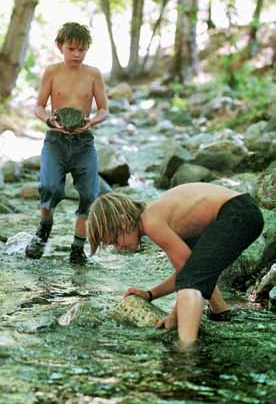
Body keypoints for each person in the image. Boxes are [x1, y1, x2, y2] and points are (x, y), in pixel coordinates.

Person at [87, 183, 264, 347]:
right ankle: (221, 312)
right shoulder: (159, 216)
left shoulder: (151, 222)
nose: (118, 248)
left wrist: (173, 317)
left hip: (238, 212)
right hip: (241, 210)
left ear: (124, 220)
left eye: (115, 240)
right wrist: (150, 295)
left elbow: (187, 279)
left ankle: (185, 352)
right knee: (197, 273)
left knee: (192, 282)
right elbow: (187, 270)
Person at [25, 22, 109, 266]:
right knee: (50, 187)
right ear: (60, 46)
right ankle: (43, 230)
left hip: (84, 142)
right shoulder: (51, 72)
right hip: (56, 140)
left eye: (82, 50)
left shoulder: (93, 74)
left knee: (89, 193)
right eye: (71, 49)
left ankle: (77, 248)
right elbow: (39, 106)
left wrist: (92, 121)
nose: (76, 55)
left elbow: (104, 109)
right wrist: (48, 121)